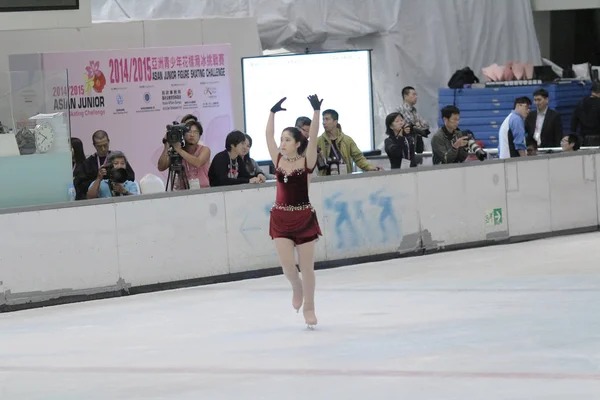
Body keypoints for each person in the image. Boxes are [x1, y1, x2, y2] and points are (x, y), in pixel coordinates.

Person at [266, 94, 323, 329]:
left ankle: (309, 307)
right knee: (288, 265)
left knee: (307, 268)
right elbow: (267, 136)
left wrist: (316, 111)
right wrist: (272, 113)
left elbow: (315, 138)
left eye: (287, 139)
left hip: (303, 217)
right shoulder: (278, 160)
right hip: (280, 217)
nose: (282, 142)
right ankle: (296, 287)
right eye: (282, 139)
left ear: (298, 143)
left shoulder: (306, 161)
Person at [316, 109, 383, 175]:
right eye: (323, 119)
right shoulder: (318, 141)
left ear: (335, 122)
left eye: (327, 119)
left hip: (344, 178)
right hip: (324, 180)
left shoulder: (347, 140)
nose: (324, 122)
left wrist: (371, 168)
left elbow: (358, 158)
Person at [78, 130, 135, 198]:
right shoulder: (88, 164)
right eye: (99, 146)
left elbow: (130, 177)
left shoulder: (117, 158)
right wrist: (99, 179)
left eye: (105, 145)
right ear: (94, 145)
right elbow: (83, 186)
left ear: (108, 142)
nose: (103, 148)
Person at [157, 120, 211, 189]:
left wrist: (179, 149)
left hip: (204, 190)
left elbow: (198, 162)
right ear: (183, 135)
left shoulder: (204, 150)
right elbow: (161, 167)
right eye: (189, 132)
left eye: (195, 132)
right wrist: (167, 145)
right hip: (184, 193)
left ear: (200, 136)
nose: (192, 135)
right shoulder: (176, 152)